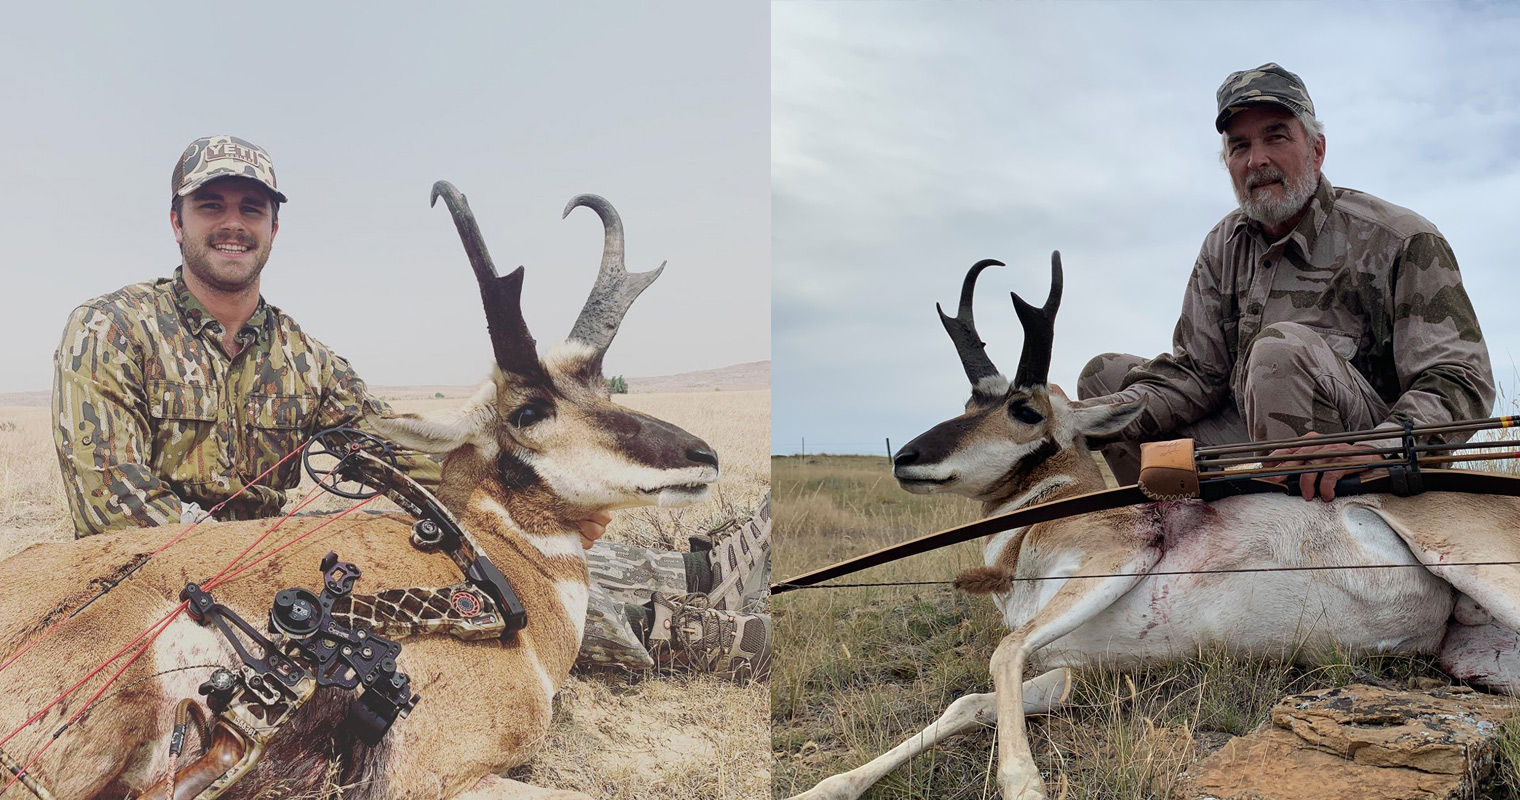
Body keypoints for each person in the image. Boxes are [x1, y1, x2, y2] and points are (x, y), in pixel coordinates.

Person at [51, 134, 769, 680]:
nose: (232, 223)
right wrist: (262, 570)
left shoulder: (302, 357)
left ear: (274, 227)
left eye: (251, 208)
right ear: (177, 222)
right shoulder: (109, 330)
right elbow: (117, 515)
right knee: (485, 603)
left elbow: (414, 458)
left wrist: (535, 487)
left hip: (273, 565)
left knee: (491, 552)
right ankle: (668, 628)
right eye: (211, 205)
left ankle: (691, 574)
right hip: (159, 592)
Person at [1075, 64, 1494, 501]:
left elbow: (1460, 378)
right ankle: (1172, 532)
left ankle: (1307, 549)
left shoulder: (1400, 238)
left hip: (1363, 464)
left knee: (1277, 353)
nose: (1257, 160)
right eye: (1240, 146)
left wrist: (1374, 448)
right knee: (1103, 380)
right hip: (1248, 439)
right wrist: (1062, 418)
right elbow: (1198, 373)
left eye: (1275, 136)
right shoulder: (1222, 244)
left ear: (1316, 150)